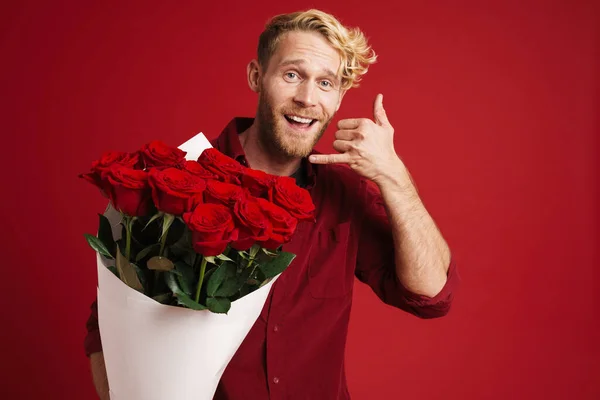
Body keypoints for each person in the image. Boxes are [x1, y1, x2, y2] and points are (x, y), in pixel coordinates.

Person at [85, 9, 459, 399]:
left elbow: (431, 296)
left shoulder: (345, 195)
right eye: (292, 75)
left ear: (339, 96)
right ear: (256, 76)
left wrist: (394, 177)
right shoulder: (177, 182)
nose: (307, 98)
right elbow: (108, 328)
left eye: (326, 83)